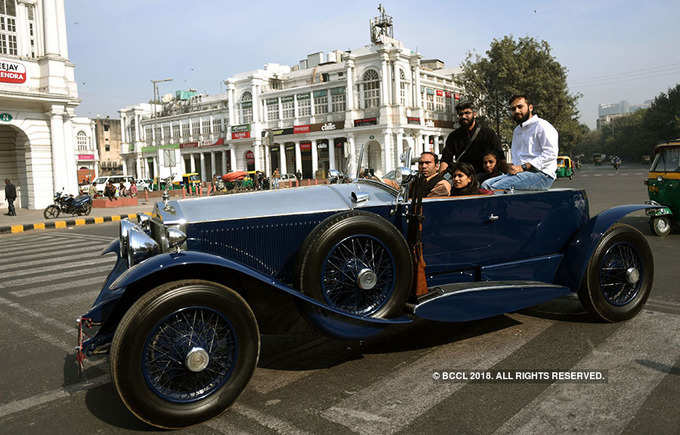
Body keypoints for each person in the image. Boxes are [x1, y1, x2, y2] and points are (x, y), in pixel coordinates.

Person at [482, 95, 558, 191]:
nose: (516, 111)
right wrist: (513, 168)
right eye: (513, 109)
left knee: (496, 188)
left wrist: (524, 167)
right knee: (485, 185)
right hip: (521, 174)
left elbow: (550, 154)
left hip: (542, 175)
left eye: (520, 107)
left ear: (530, 107)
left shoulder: (542, 126)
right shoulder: (517, 130)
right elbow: (517, 159)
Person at [440, 102, 505, 175]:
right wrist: (441, 177)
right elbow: (446, 158)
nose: (463, 116)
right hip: (463, 176)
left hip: (484, 174)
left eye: (467, 113)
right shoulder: (453, 136)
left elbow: (500, 155)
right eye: (460, 114)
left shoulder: (488, 133)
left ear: (474, 114)